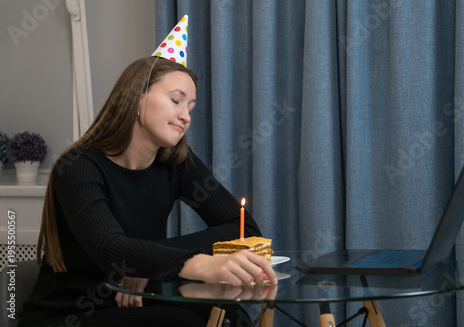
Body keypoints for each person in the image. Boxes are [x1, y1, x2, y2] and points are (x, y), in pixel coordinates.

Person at [19, 56, 277, 327]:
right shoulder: (78, 166)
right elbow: (111, 249)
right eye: (176, 100)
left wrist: (147, 258)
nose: (186, 116)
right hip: (68, 313)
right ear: (136, 98)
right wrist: (199, 264)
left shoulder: (177, 163)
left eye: (191, 107)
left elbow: (245, 229)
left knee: (231, 316)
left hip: (139, 301)